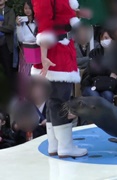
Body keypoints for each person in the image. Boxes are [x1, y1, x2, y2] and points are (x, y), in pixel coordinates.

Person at [31, 0, 87, 158]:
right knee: (59, 100)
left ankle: (55, 145)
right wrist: (43, 57)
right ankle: (65, 146)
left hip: (61, 48)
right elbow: (44, 23)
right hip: (55, 53)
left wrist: (76, 14)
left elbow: (58, 16)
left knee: (53, 101)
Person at [81, 28, 117, 103]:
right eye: (105, 38)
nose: (109, 40)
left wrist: (101, 69)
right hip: (90, 85)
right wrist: (108, 73)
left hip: (108, 87)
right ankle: (100, 114)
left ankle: (104, 114)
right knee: (95, 96)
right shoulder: (94, 53)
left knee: (108, 95)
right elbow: (93, 70)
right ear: (100, 39)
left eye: (111, 38)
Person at [0, 0, 15, 79]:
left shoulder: (10, 11)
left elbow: (11, 27)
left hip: (5, 44)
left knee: (8, 70)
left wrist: (1, 27)